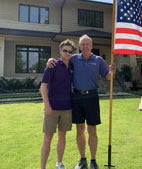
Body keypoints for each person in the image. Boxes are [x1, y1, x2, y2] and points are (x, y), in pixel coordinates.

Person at [47, 35, 116, 169]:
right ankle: (82, 159)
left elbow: (107, 76)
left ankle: (93, 160)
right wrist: (50, 60)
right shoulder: (73, 59)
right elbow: (61, 61)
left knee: (92, 129)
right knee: (80, 129)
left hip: (92, 97)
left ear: (91, 46)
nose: (85, 46)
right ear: (79, 46)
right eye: (82, 44)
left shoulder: (99, 60)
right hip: (77, 96)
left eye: (87, 44)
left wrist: (112, 71)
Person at [41, 39, 75, 169]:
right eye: (65, 50)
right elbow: (43, 87)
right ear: (60, 51)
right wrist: (47, 105)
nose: (67, 53)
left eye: (70, 51)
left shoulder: (72, 66)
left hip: (67, 109)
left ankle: (59, 163)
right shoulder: (52, 66)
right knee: (48, 138)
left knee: (62, 136)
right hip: (52, 108)